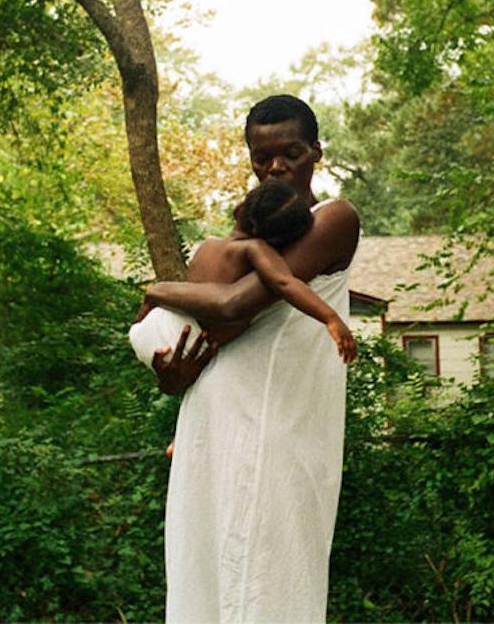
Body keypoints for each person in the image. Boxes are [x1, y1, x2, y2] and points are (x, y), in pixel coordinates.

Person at [128, 94, 360, 622]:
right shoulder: (248, 234)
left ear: (316, 151)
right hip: (212, 426)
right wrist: (174, 378)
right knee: (203, 577)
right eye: (262, 157)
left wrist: (158, 288)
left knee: (269, 582)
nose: (275, 166)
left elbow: (235, 307)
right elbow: (208, 340)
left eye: (291, 153)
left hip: (276, 428)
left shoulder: (333, 219)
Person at [134, 178, 356, 366]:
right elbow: (284, 282)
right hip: (183, 342)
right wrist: (330, 318)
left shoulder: (207, 246)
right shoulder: (252, 248)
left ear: (238, 210)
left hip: (151, 327)